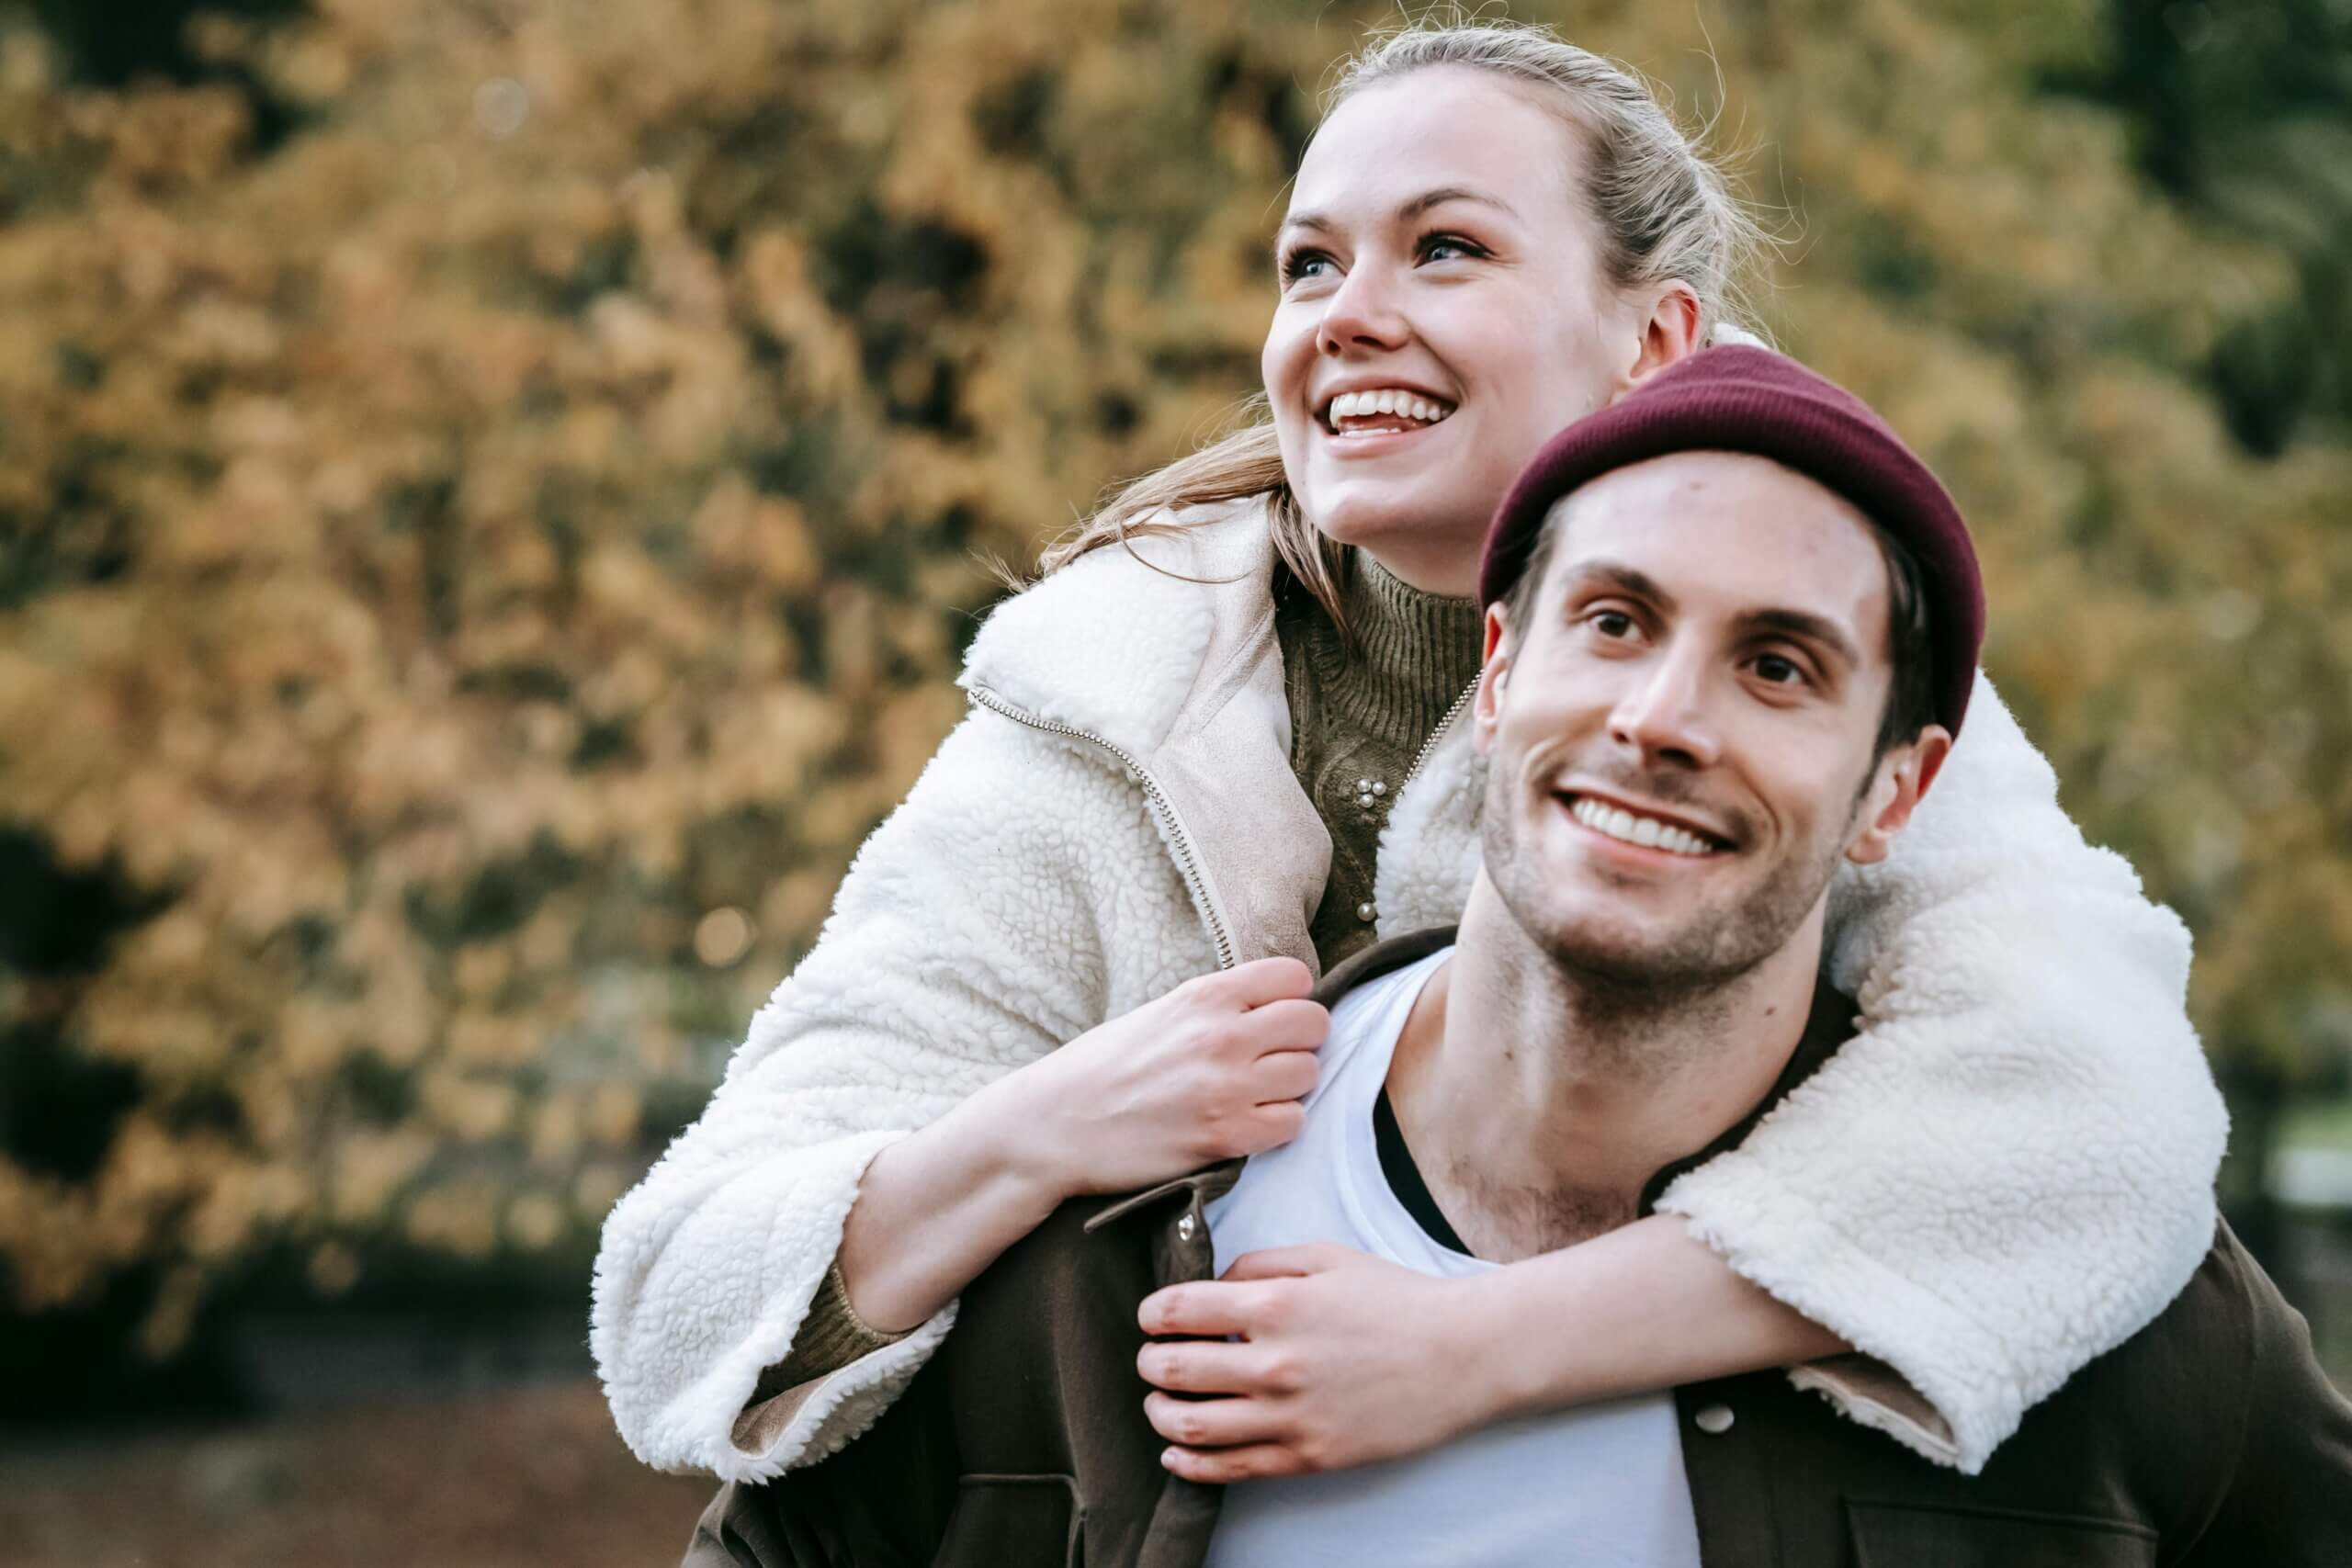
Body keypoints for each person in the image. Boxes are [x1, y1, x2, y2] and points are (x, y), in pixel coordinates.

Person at [591, 19, 2224, 1492]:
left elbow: (2104, 1122)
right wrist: (1038, 1124)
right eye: (1310, 266)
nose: (1350, 318)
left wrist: (1481, 1344)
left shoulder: (1778, 695)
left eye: (1444, 250)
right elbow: (686, 1306)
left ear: (1655, 340)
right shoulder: (1097, 713)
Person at [684, 346, 2352, 1568]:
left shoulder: (2095, 1310)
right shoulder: (1109, 1253)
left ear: (1896, 792)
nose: (1660, 720)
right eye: (1615, 623)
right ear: (1496, 678)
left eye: (1778, 668)